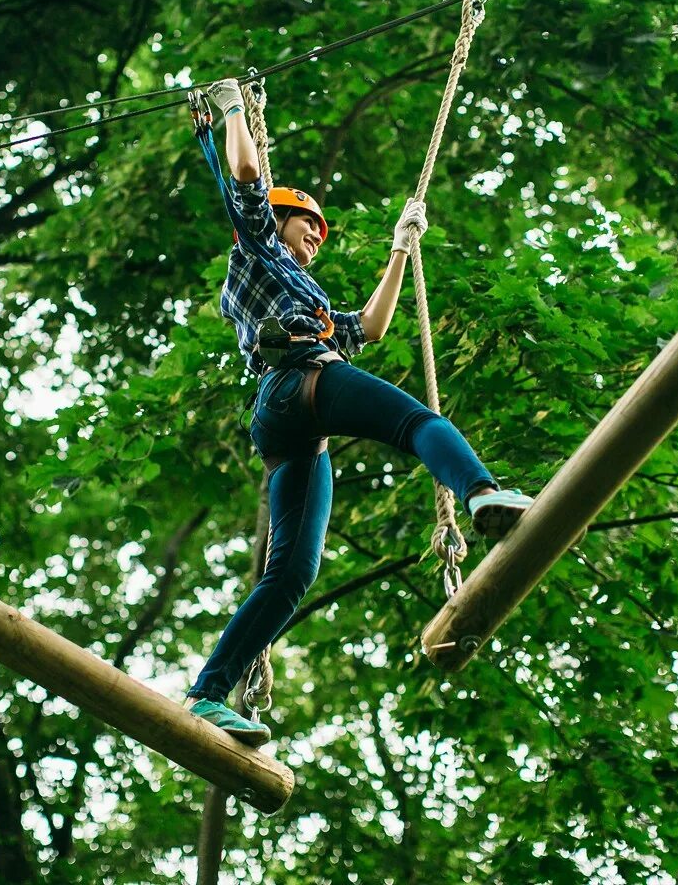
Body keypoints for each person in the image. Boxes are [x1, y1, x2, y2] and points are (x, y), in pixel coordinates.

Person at [183, 78, 532, 744]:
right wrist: (233, 110)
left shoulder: (307, 295)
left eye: (321, 227)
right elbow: (249, 171)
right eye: (305, 220)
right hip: (296, 380)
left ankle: (207, 693)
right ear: (276, 220)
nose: (317, 231)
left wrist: (402, 247)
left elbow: (368, 328)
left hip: (290, 424)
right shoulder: (255, 246)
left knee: (291, 574)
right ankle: (482, 493)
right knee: (416, 423)